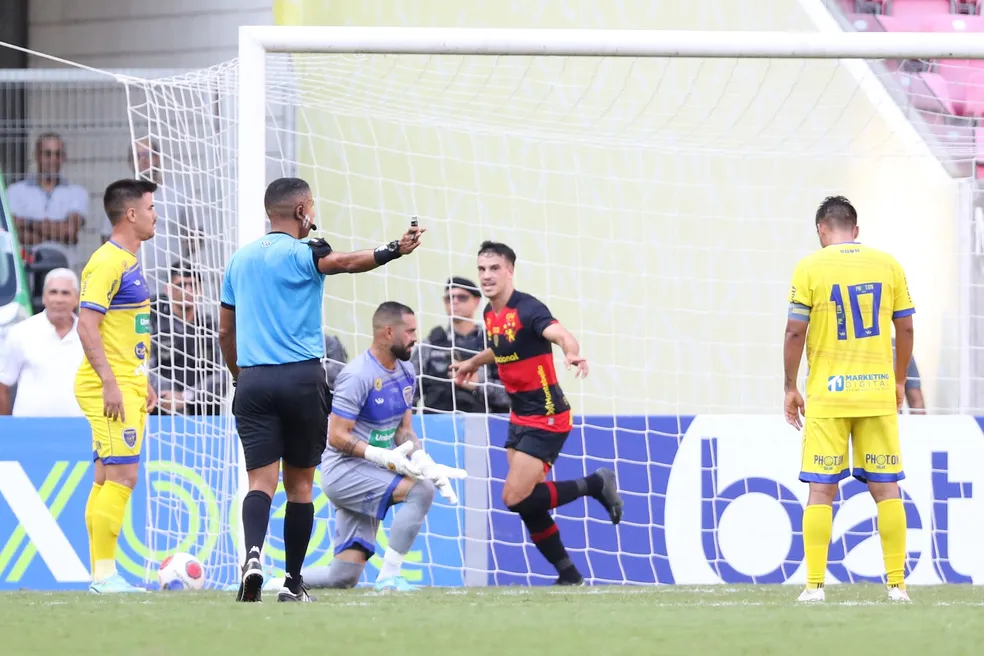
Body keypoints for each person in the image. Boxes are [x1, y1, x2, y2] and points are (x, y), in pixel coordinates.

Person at [218, 177, 424, 603]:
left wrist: (240, 375)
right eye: (311, 206)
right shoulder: (307, 253)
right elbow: (347, 263)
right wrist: (394, 249)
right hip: (300, 378)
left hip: (253, 380)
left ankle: (252, 556)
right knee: (299, 486)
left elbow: (225, 329)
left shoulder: (238, 261)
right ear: (301, 211)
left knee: (259, 481)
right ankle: (293, 583)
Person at [451, 241, 623, 586]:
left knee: (514, 497)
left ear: (510, 271)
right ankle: (569, 575)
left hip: (547, 415)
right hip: (520, 416)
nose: (486, 276)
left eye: (494, 268)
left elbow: (560, 334)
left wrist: (572, 352)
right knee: (529, 503)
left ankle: (595, 483)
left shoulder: (528, 309)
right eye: (482, 269)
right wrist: (472, 362)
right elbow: (500, 347)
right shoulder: (489, 313)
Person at [784, 196, 914, 603]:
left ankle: (814, 587)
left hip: (829, 397)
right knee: (886, 487)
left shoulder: (810, 266)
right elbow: (906, 329)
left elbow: (794, 332)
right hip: (877, 393)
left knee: (822, 490)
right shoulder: (888, 264)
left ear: (822, 230)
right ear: (854, 230)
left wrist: (790, 386)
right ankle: (897, 587)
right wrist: (898, 381)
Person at [302, 302, 465, 592]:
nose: (416, 337)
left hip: (371, 470)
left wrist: (425, 462)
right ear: (389, 332)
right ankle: (389, 577)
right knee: (420, 490)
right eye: (410, 331)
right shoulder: (357, 375)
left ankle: (272, 583)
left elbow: (404, 432)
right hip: (344, 472)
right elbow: (336, 436)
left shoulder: (405, 371)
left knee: (342, 577)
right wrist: (382, 456)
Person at [75, 179, 160, 593]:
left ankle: (99, 574)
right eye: (150, 207)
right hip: (107, 385)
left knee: (106, 477)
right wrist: (111, 382)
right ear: (130, 214)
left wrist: (139, 379)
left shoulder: (128, 259)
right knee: (124, 477)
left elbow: (123, 329)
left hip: (127, 381)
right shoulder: (108, 261)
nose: (154, 213)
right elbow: (86, 324)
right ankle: (105, 575)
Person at [413, 276, 510, 414]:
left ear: (476, 302)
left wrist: (478, 385)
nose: (454, 302)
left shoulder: (493, 343)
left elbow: (514, 395)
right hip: (435, 427)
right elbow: (409, 392)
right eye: (449, 298)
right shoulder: (429, 346)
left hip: (485, 427)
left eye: (462, 297)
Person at [0, 268, 83, 417]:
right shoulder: (21, 332)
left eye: (65, 293)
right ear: (44, 297)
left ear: (76, 299)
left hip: (79, 430)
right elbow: (3, 385)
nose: (58, 299)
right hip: (29, 431)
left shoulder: (90, 336)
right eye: (53, 292)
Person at [150, 262, 222, 415]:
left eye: (192, 285)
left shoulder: (211, 327)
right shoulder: (154, 325)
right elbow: (145, 368)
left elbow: (224, 373)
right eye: (181, 285)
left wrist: (187, 397)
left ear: (200, 289)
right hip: (163, 412)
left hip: (205, 416)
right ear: (168, 289)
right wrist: (169, 394)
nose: (188, 290)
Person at [7, 133, 89, 251]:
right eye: (47, 154)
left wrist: (28, 223)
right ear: (36, 155)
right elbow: (14, 233)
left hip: (63, 266)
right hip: (28, 265)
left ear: (63, 158)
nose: (53, 160)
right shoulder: (15, 191)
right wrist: (56, 232)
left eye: (57, 154)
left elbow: (70, 232)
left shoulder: (77, 193)